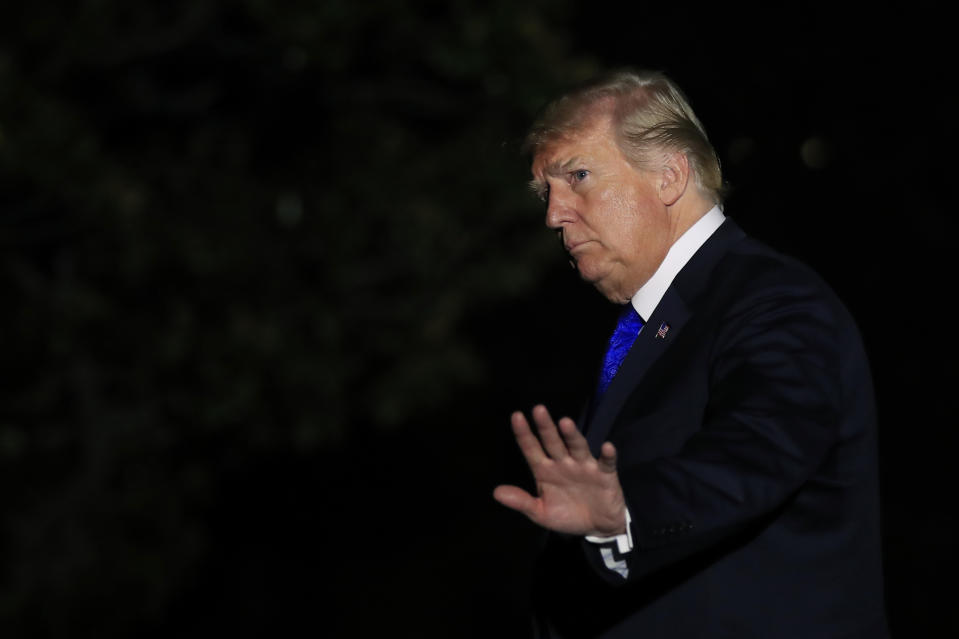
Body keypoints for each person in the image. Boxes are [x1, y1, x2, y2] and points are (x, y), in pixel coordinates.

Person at [493, 69, 889, 638]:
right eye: (546, 192)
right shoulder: (648, 324)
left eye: (577, 176)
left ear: (670, 176)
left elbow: (760, 446)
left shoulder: (775, 302)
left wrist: (626, 513)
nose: (555, 214)